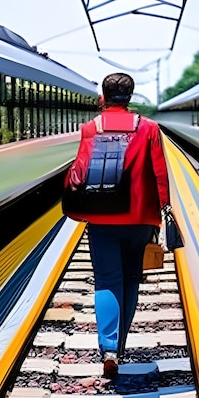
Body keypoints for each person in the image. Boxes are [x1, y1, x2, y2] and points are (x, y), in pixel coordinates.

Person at [65, 72, 170, 378]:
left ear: (103, 96)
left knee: (107, 280)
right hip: (140, 217)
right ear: (131, 96)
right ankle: (119, 345)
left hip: (102, 217)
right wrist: (164, 208)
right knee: (131, 280)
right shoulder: (149, 128)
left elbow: (81, 169)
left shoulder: (91, 128)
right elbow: (159, 172)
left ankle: (109, 349)